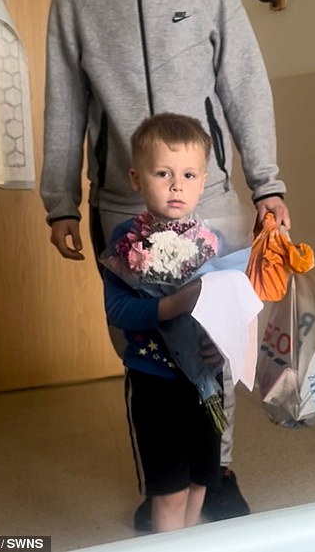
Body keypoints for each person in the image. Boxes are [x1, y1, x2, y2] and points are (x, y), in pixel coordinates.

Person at [40, 0, 291, 529]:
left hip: (210, 201)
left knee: (218, 343)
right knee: (148, 352)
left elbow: (245, 82)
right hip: (124, 206)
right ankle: (166, 487)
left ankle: (219, 472)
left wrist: (267, 184)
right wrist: (61, 201)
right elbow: (64, 105)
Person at [102, 113, 230, 532]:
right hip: (154, 378)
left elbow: (230, 309)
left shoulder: (213, 243)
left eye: (189, 174)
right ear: (137, 178)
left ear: (203, 180)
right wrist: (171, 305)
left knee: (199, 480)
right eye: (163, 173)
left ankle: (186, 539)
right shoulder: (125, 242)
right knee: (169, 488)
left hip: (205, 379)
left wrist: (223, 342)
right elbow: (118, 311)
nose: (177, 185)